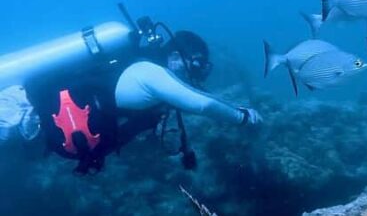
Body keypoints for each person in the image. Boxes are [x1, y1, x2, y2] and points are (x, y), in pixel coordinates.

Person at [0, 15, 261, 174]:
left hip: (30, 126)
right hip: (19, 111)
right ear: (175, 56)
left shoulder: (146, 84)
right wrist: (244, 117)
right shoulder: (148, 72)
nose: (196, 75)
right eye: (196, 64)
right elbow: (202, 105)